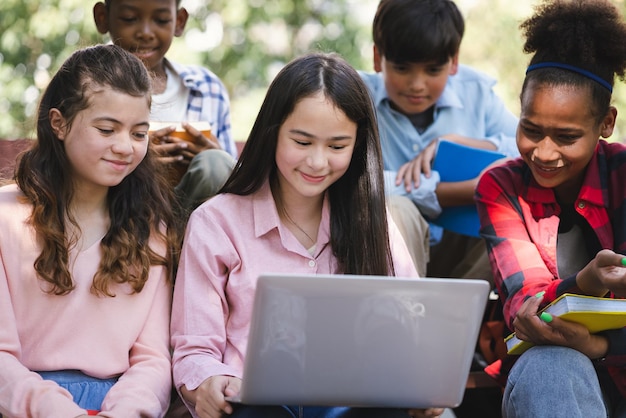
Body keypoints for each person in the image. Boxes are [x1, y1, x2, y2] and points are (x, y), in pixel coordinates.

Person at [170, 52, 443, 418]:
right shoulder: (216, 222)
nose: (317, 162)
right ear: (272, 133)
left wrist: (421, 385)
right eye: (301, 142)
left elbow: (411, 328)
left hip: (352, 405)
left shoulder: (372, 222)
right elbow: (194, 349)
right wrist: (208, 382)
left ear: (358, 145)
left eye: (336, 146)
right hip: (253, 407)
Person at [0, 44, 183, 417]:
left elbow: (152, 361)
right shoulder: (5, 218)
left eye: (139, 133)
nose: (124, 147)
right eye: (107, 129)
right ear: (59, 123)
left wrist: (126, 412)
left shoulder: (152, 229)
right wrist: (53, 410)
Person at [475, 0, 626, 416]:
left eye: (566, 136)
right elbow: (527, 311)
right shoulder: (501, 187)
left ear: (606, 124)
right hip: (550, 379)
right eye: (530, 129)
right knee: (552, 364)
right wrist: (589, 283)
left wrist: (598, 344)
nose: (543, 152)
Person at [359, 0, 519, 278]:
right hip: (387, 256)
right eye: (402, 68)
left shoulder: (477, 93)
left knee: (508, 215)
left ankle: (464, 318)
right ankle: (401, 313)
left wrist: (461, 141)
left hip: (464, 251)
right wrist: (445, 192)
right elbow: (348, 181)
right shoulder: (356, 97)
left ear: (453, 61)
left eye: (433, 70)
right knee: (395, 209)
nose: (417, 84)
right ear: (377, 58)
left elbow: (528, 152)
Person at [93, 0, 237, 214]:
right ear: (103, 17)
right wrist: (138, 159)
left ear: (179, 22)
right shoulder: (87, 85)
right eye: (130, 19)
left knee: (216, 162)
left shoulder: (208, 89)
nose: (145, 32)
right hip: (115, 217)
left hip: (192, 228)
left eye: (161, 20)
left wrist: (216, 160)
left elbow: (236, 185)